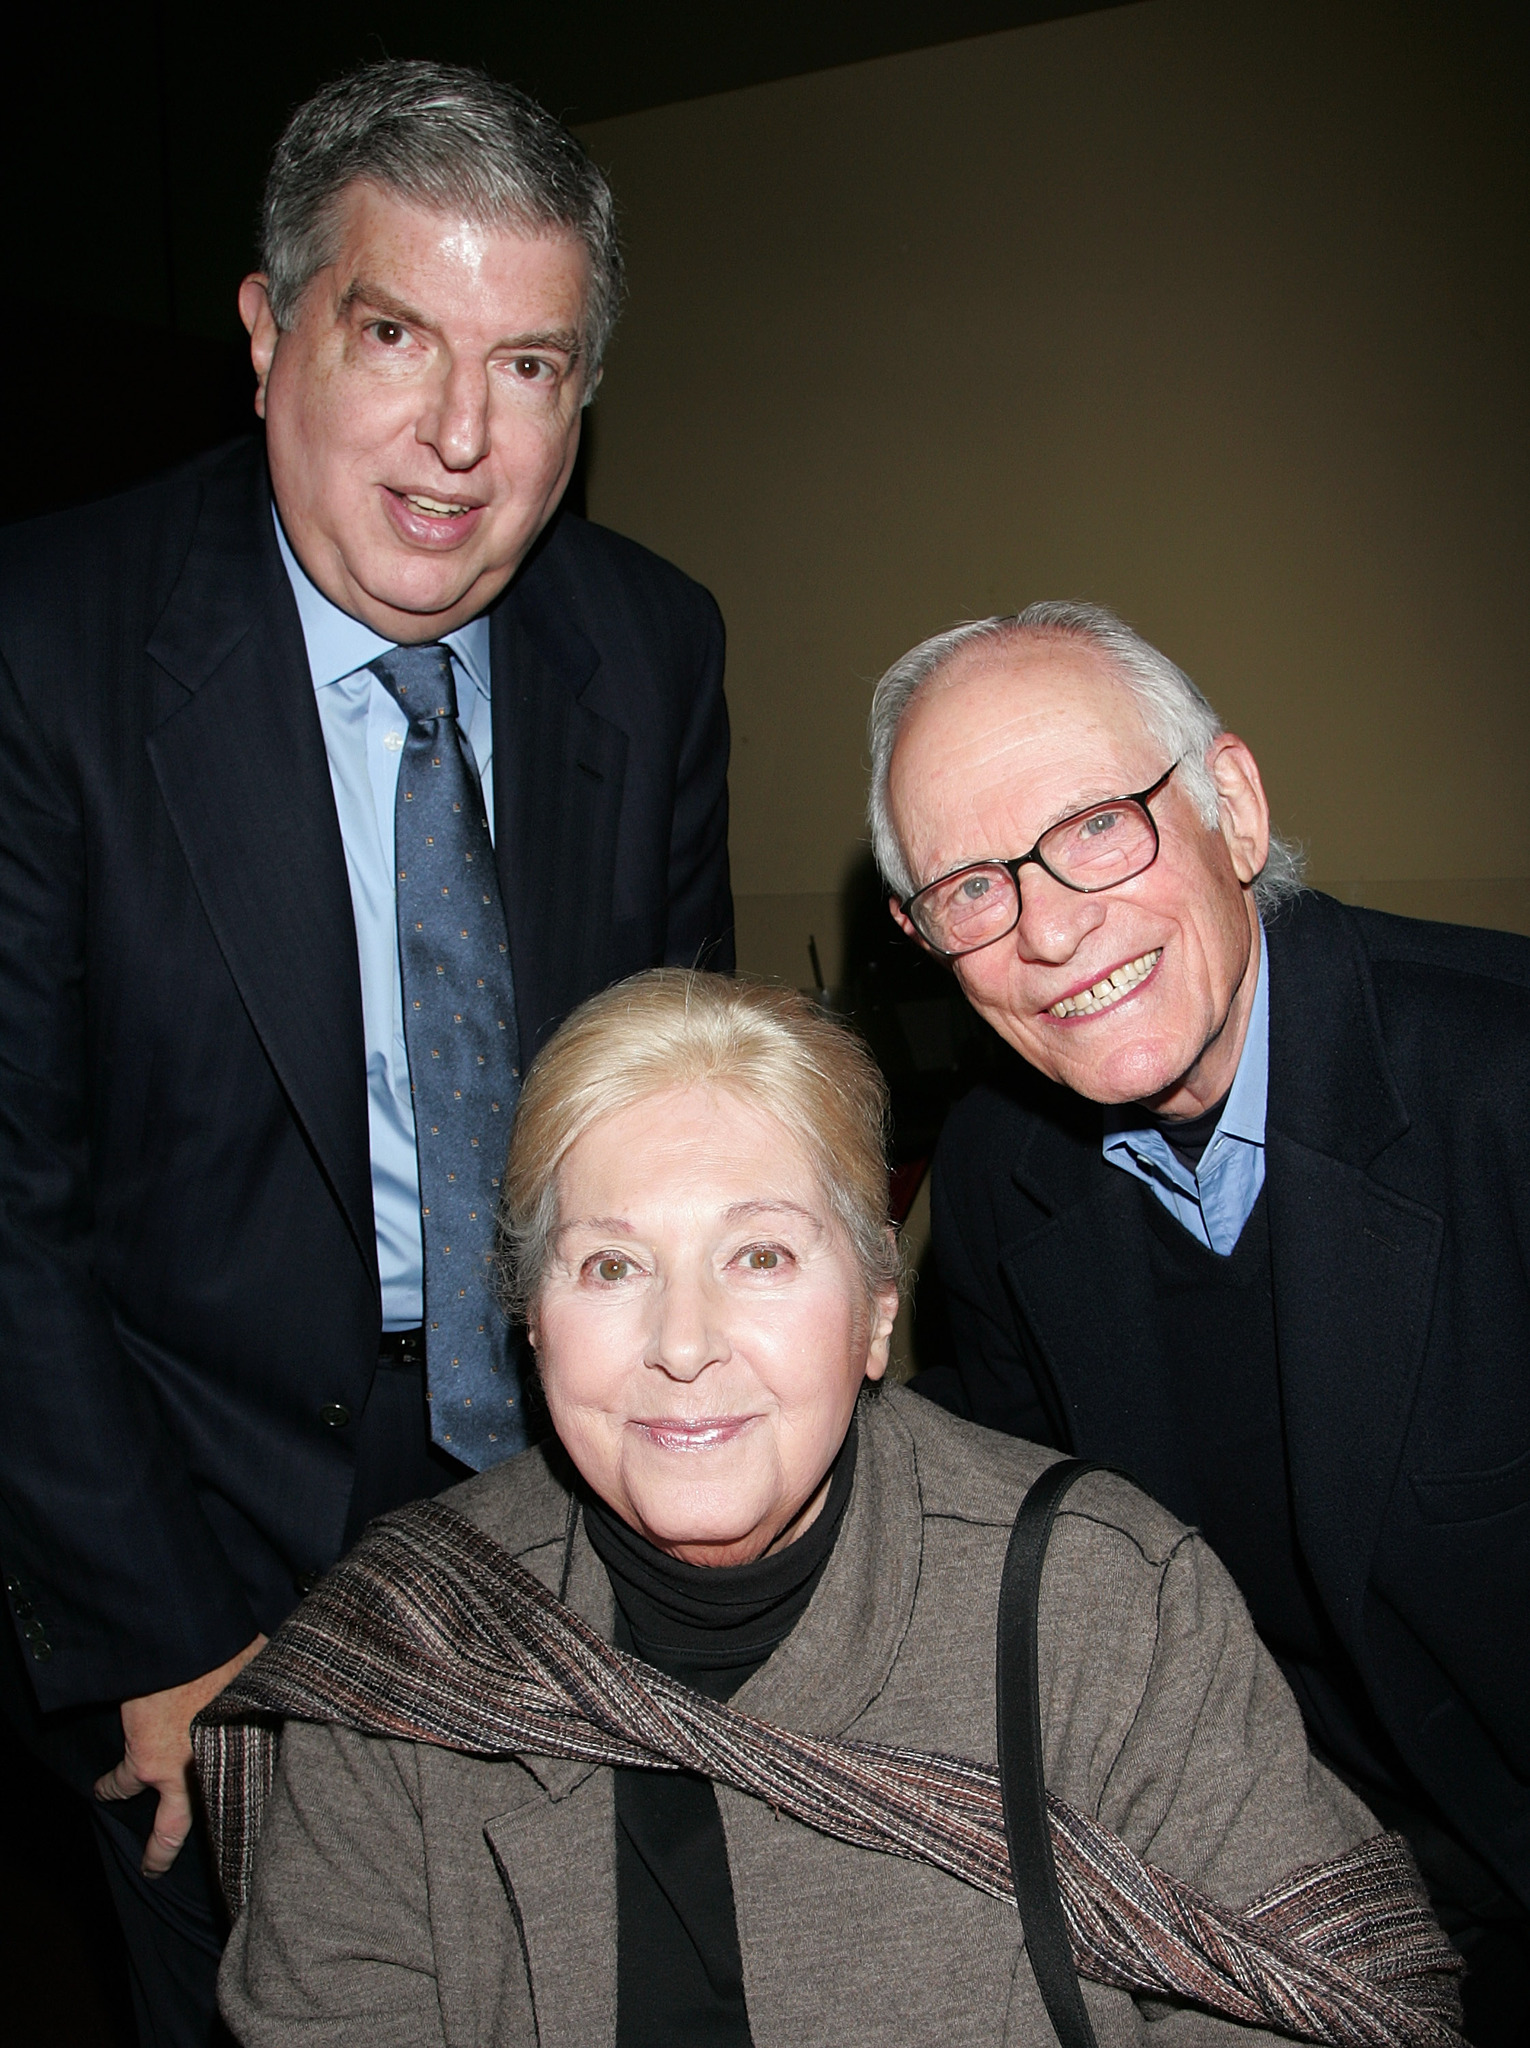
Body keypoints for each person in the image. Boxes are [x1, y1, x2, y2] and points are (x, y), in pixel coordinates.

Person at [0, 60, 731, 2046]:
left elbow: (686, 1118)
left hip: (579, 1507)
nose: (455, 439)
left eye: (530, 368)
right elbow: (15, 1219)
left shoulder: (653, 650)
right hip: (202, 1523)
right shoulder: (46, 641)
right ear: (267, 332)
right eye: (394, 332)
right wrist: (152, 1636)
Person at [199, 970, 1458, 2048]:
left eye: (761, 1254)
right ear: (534, 1322)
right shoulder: (401, 1654)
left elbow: (1338, 1997)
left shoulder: (1107, 1597)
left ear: (875, 1310)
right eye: (612, 1264)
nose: (682, 1343)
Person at [866, 600, 1529, 2042]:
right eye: (969, 888)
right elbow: (1033, 1572)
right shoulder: (993, 1171)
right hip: (1276, 1905)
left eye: (1097, 824)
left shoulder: (1502, 1085)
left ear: (1230, 805)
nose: (1048, 929)